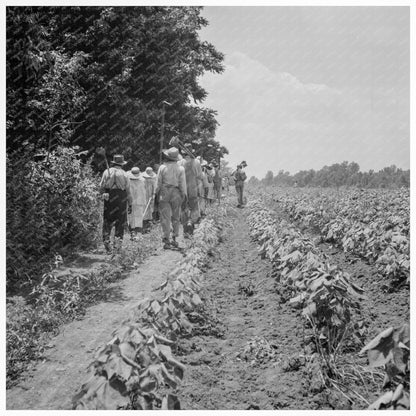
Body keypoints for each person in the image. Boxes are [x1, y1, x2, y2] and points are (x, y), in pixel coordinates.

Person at [155, 147, 187, 249]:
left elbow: (158, 183)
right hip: (176, 192)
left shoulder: (162, 167)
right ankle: (174, 238)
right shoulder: (181, 168)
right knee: (176, 216)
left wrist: (155, 193)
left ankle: (167, 240)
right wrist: (184, 195)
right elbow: (182, 184)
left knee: (165, 217)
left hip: (164, 191)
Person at [99, 154, 132, 253]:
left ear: (114, 162)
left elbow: (101, 186)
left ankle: (106, 241)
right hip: (121, 197)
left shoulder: (106, 172)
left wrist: (104, 193)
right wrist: (130, 204)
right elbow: (128, 190)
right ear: (122, 164)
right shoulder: (125, 174)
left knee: (107, 220)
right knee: (120, 221)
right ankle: (117, 245)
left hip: (109, 196)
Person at [178, 145, 203, 237]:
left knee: (183, 207)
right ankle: (191, 223)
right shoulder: (196, 162)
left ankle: (185, 228)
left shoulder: (180, 163)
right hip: (193, 188)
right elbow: (200, 176)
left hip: (182, 189)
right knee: (193, 207)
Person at [127, 167, 147, 239]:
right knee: (138, 217)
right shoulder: (142, 181)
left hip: (132, 202)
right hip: (139, 202)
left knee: (131, 217)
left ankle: (133, 232)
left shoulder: (128, 181)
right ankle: (137, 233)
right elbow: (144, 192)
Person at [142, 166, 157, 233]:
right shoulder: (142, 178)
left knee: (150, 210)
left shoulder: (154, 178)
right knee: (144, 210)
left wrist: (153, 194)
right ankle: (144, 227)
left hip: (150, 196)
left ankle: (148, 227)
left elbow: (155, 187)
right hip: (144, 195)